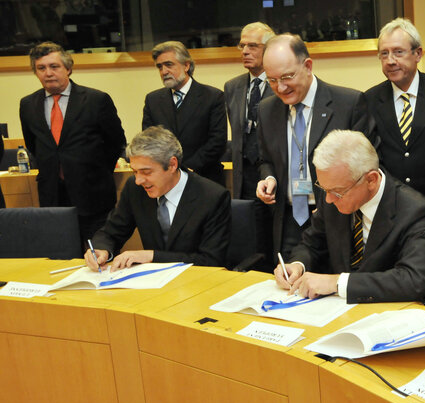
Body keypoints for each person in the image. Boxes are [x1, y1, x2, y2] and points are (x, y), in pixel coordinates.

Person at [275, 130, 425, 303]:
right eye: (324, 189)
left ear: (371, 180)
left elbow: (412, 279)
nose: (328, 199)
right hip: (334, 309)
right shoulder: (333, 188)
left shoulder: (415, 211)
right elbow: (312, 243)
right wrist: (298, 265)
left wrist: (337, 282)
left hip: (386, 312)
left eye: (337, 192)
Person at [256, 33, 375, 261]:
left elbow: (366, 167)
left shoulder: (348, 104)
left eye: (287, 77)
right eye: (271, 80)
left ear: (308, 66)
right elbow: (266, 160)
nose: (280, 87)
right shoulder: (266, 109)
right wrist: (268, 178)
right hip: (288, 220)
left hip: (337, 218)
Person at [19, 41, 126, 245]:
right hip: (52, 196)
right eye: (41, 68)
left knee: (99, 256)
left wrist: (95, 171)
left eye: (54, 66)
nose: (48, 73)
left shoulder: (96, 99)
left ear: (68, 68)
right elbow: (33, 145)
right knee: (60, 257)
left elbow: (115, 142)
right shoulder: (27, 104)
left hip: (93, 195)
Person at [86, 126, 231, 271]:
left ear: (172, 164)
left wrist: (153, 256)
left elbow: (211, 261)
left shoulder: (212, 197)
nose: (138, 180)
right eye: (135, 172)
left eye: (146, 172)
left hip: (196, 282)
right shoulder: (134, 189)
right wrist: (101, 249)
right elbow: (111, 232)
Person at [364, 18, 425, 216]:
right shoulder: (369, 100)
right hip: (391, 210)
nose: (391, 60)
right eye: (384, 54)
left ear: (418, 54)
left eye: (398, 52)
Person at [224, 22, 275, 270]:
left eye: (252, 46)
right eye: (242, 45)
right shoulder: (232, 87)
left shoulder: (281, 86)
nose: (245, 50)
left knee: (273, 242)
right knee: (249, 243)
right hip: (243, 179)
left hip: (273, 176)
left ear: (269, 49)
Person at [142, 41, 227, 186]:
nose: (164, 72)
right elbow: (149, 140)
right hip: (166, 181)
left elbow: (217, 141)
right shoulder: (153, 100)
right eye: (159, 67)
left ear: (186, 65)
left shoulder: (212, 96)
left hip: (204, 179)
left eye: (169, 65)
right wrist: (169, 171)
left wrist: (184, 171)